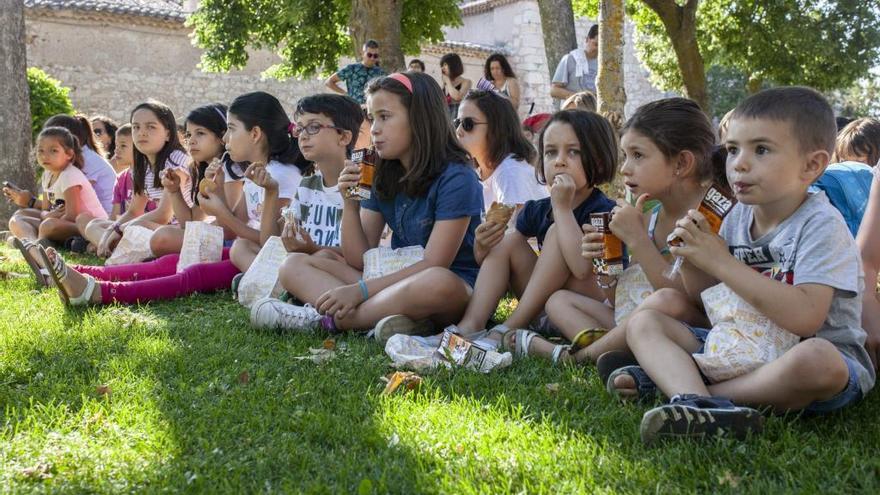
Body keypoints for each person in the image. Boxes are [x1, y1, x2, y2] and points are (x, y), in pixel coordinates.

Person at [620, 87, 874, 443]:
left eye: (762, 150)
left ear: (812, 165)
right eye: (733, 149)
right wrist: (695, 259)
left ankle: (696, 396)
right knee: (645, 322)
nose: (738, 163)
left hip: (805, 353)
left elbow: (806, 318)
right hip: (741, 345)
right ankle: (696, 400)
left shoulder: (821, 225)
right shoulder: (736, 217)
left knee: (819, 360)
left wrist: (722, 262)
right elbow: (707, 301)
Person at [251, 72, 482, 336]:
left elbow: (435, 263)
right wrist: (350, 205)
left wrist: (360, 292)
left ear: (420, 118)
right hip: (392, 279)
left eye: (385, 116)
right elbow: (359, 258)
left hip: (447, 288)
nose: (373, 129)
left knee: (438, 282)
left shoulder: (457, 176)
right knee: (294, 264)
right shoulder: (377, 169)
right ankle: (395, 321)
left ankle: (329, 321)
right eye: (372, 118)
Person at [28, 91, 310, 307]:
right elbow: (232, 226)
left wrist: (220, 210)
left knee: (192, 275)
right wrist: (216, 193)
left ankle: (99, 291)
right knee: (170, 262)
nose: (225, 138)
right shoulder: (255, 173)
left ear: (256, 133)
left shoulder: (280, 177)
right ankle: (74, 272)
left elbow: (267, 241)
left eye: (232, 129)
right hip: (245, 250)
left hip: (257, 256)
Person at [517, 98, 718, 365]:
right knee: (559, 301)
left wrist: (636, 238)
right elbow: (621, 296)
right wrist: (604, 265)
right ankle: (617, 350)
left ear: (681, 163)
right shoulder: (650, 214)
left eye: (638, 155)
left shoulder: (709, 216)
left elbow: (687, 301)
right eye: (625, 156)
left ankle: (577, 357)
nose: (624, 168)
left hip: (684, 325)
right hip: (632, 317)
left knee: (668, 301)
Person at [415, 110, 617, 352]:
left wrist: (562, 210)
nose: (559, 161)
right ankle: (471, 325)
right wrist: (482, 246)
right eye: (551, 152)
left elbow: (582, 270)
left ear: (599, 159)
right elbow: (495, 261)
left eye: (573, 152)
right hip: (542, 310)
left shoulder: (604, 213)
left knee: (555, 234)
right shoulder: (536, 209)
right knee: (508, 241)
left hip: (579, 309)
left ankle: (510, 326)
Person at [91, 100, 192, 258]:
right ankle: (116, 246)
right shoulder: (142, 164)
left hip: (177, 232)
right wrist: (111, 232)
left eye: (151, 127)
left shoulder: (176, 161)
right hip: (153, 230)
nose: (142, 133)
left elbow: (163, 215)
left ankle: (120, 249)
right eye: (136, 127)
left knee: (138, 227)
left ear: (168, 133)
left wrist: (120, 230)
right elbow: (134, 211)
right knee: (94, 225)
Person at [148, 103, 245, 257]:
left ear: (222, 137)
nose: (191, 141)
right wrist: (174, 191)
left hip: (234, 245)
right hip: (218, 239)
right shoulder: (203, 170)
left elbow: (230, 229)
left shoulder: (230, 170)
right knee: (160, 237)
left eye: (200, 133)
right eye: (188, 135)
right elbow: (190, 221)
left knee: (162, 238)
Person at [455, 89, 546, 221]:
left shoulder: (510, 171)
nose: (458, 131)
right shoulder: (481, 171)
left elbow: (515, 235)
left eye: (468, 124)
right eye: (457, 123)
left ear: (496, 127)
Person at [7, 127, 107, 248]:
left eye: (53, 151)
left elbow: (72, 216)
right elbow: (45, 209)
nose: (45, 156)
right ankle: (33, 243)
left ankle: (30, 241)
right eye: (41, 151)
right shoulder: (47, 174)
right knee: (18, 216)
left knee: (48, 225)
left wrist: (47, 217)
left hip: (88, 225)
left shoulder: (69, 175)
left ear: (69, 154)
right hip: (60, 220)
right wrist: (46, 215)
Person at [3, 115, 116, 216]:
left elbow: (68, 208)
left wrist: (31, 202)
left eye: (52, 149)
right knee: (21, 216)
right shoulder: (52, 171)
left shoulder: (86, 162)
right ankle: (29, 239)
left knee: (48, 225)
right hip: (71, 217)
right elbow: (51, 208)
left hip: (95, 222)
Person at [75, 124, 157, 254]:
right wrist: (109, 234)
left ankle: (104, 247)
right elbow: (114, 217)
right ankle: (110, 247)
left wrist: (112, 233)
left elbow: (149, 217)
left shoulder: (149, 176)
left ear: (139, 148)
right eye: (116, 146)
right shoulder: (121, 178)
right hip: (122, 230)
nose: (116, 151)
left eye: (123, 146)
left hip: (143, 230)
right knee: (91, 225)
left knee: (99, 233)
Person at [325, 39, 386, 105]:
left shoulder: (381, 73)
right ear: (363, 54)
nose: (372, 58)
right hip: (353, 109)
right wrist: (345, 94)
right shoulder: (351, 68)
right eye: (369, 55)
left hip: (371, 110)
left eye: (375, 56)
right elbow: (329, 82)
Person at [551, 24, 599, 107]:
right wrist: (580, 99)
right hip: (572, 114)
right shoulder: (570, 59)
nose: (598, 49)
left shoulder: (607, 65)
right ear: (587, 39)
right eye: (596, 44)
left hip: (595, 116)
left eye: (602, 46)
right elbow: (554, 91)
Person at [440, 53, 473, 121]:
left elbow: (457, 97)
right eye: (442, 65)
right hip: (442, 117)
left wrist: (448, 82)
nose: (443, 68)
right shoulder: (445, 83)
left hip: (456, 118)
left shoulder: (466, 82)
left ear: (454, 65)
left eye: (445, 64)